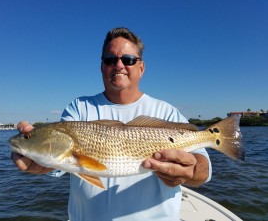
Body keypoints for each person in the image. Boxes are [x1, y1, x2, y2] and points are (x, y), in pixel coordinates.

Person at [12, 27, 212, 221]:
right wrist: (40, 163)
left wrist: (191, 173)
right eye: (110, 60)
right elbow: (61, 165)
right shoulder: (79, 108)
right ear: (101, 66)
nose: (119, 65)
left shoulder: (166, 111)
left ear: (141, 67)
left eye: (128, 60)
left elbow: (203, 168)